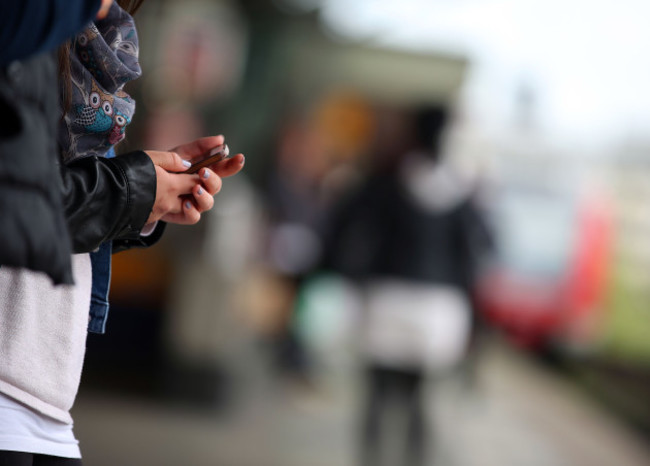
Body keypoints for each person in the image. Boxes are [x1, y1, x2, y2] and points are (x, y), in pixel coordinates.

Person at [0, 2, 245, 464]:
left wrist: (153, 195)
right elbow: (17, 197)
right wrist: (132, 189)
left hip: (46, 397)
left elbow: (53, 209)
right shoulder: (24, 34)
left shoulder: (86, 53)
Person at [324, 106, 491, 466]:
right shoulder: (463, 195)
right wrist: (475, 325)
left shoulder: (387, 179)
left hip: (385, 304)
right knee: (421, 404)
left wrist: (344, 274)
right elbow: (477, 256)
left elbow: (343, 223)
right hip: (437, 315)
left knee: (377, 398)